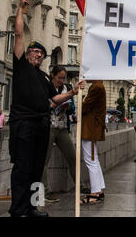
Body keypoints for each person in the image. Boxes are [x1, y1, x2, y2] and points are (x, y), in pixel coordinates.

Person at [9, 0, 84, 217]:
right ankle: (19, 210)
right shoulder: (21, 66)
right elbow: (20, 33)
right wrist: (21, 9)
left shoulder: (43, 78)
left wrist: (72, 92)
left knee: (37, 167)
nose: (38, 55)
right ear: (27, 53)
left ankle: (33, 206)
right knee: (22, 168)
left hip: (42, 124)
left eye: (41, 53)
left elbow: (53, 99)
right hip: (23, 124)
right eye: (34, 52)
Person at [41, 66, 86, 203]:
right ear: (52, 76)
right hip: (49, 127)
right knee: (44, 161)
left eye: (63, 78)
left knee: (72, 157)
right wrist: (53, 105)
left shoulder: (66, 88)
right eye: (59, 78)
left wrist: (68, 106)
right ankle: (46, 192)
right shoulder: (46, 87)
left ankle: (80, 185)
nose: (61, 81)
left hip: (62, 127)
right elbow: (42, 106)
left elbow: (72, 106)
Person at [80, 80, 106, 205]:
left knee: (90, 160)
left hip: (90, 128)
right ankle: (98, 190)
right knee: (93, 160)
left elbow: (85, 106)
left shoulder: (96, 87)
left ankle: (95, 193)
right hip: (92, 127)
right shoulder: (98, 86)